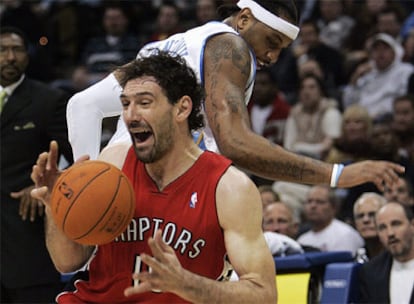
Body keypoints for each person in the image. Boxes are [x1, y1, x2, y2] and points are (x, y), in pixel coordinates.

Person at [66, 0, 404, 195]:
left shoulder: (168, 45)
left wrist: (87, 188)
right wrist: (336, 175)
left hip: (124, 188)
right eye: (271, 41)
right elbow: (234, 143)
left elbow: (82, 106)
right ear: (243, 19)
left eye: (281, 49)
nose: (272, 57)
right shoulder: (231, 46)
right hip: (168, 192)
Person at [30, 51, 277, 303]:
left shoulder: (228, 188)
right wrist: (55, 206)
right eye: (125, 104)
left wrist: (188, 284)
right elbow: (67, 262)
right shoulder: (113, 162)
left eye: (144, 103)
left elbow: (264, 294)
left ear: (182, 108)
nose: (130, 115)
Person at [0, 26, 73, 303]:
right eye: (2, 50)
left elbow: (80, 160)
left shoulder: (49, 101)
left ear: (27, 57)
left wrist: (47, 185)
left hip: (27, 245)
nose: (9, 57)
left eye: (17, 50)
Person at [342, 33, 414, 119]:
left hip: (388, 118)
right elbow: (348, 104)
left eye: (385, 49)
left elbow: (404, 101)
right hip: (362, 121)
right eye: (376, 49)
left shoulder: (406, 71)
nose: (380, 53)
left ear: (394, 52)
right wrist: (354, 79)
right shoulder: (366, 74)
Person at [358, 202, 414, 303]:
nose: (390, 233)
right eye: (382, 228)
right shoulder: (370, 272)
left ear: (412, 225)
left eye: (396, 224)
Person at [297, 185, 364, 255]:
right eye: (309, 201)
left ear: (334, 207)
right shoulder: (302, 240)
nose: (313, 206)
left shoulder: (345, 235)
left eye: (320, 202)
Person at [353, 192, 387, 259]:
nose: (365, 220)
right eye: (360, 216)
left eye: (372, 215)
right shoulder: (358, 257)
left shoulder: (398, 255)